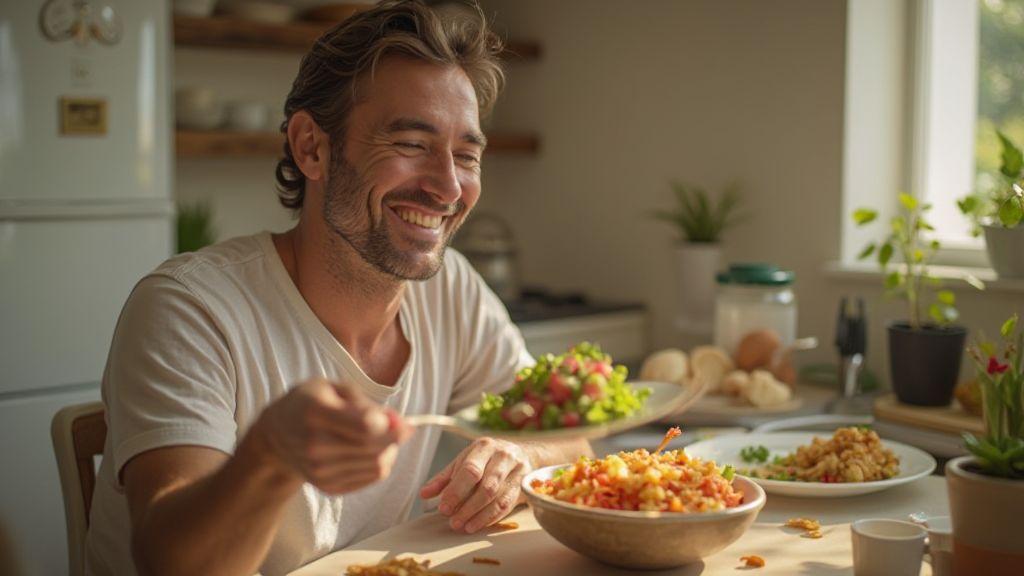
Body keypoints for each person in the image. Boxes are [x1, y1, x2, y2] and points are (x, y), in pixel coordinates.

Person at [84, 2, 591, 574]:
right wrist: (270, 457)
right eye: (411, 144)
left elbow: (576, 441)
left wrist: (523, 455)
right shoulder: (190, 308)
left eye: (466, 156)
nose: (449, 188)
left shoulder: (451, 289)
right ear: (311, 148)